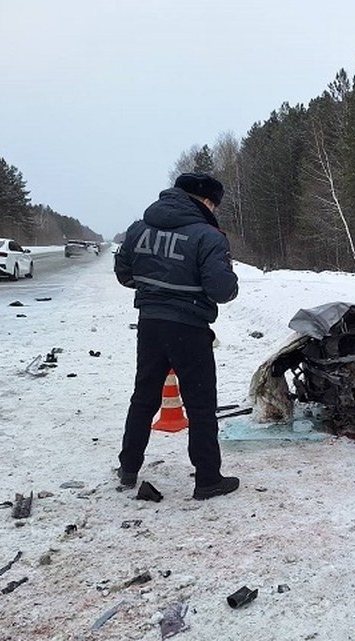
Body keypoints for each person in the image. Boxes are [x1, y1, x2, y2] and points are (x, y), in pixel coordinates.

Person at [114, 172, 240, 500]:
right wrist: (231, 281)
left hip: (150, 324)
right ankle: (208, 480)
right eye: (214, 203)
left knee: (143, 398)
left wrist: (154, 290)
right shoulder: (208, 235)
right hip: (190, 328)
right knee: (200, 405)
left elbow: (124, 274)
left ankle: (128, 468)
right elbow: (221, 289)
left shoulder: (139, 229)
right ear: (205, 201)